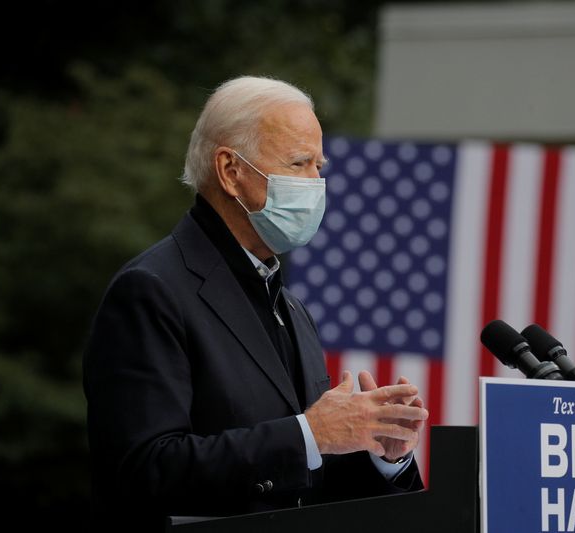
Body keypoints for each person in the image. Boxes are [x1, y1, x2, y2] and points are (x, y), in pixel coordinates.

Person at [82, 75, 428, 532]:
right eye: (299, 163)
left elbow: (303, 478)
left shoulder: (291, 308)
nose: (316, 183)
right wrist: (312, 432)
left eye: (318, 166)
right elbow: (145, 468)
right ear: (230, 171)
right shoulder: (151, 290)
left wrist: (380, 453)